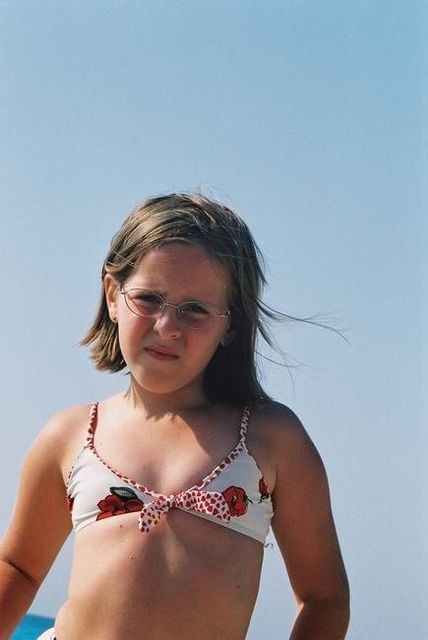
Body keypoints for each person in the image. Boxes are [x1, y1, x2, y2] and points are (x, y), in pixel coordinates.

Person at [0, 193, 349, 639]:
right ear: (113, 295)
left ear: (231, 324)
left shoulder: (270, 439)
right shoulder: (71, 436)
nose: (167, 327)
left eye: (195, 309)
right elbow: (19, 568)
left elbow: (324, 598)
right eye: (149, 299)